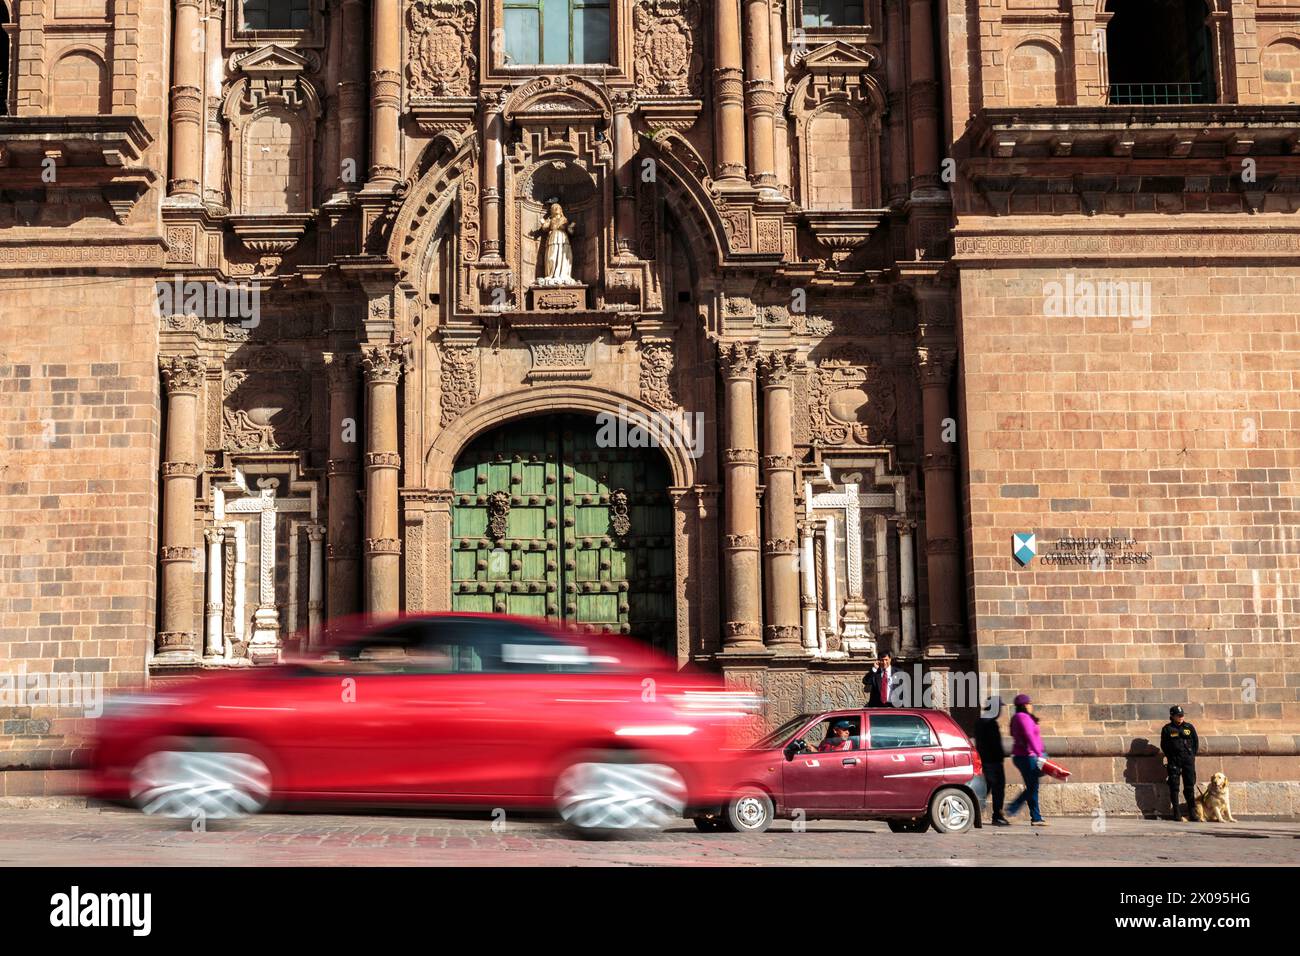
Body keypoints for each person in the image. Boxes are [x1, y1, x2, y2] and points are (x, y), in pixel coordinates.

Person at [1004, 694, 1048, 826]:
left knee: (1032, 786)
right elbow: (1029, 736)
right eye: (1029, 703)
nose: (1031, 706)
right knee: (1033, 787)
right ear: (1024, 705)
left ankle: (1036, 817)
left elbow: (1014, 734)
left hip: (1025, 756)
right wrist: (1039, 753)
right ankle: (1013, 807)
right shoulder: (1022, 717)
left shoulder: (1017, 718)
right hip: (1028, 756)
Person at [975, 696, 1010, 826]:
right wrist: (998, 757)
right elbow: (993, 744)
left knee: (985, 789)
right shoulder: (990, 723)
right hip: (992, 762)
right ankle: (997, 816)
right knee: (997, 789)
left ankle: (976, 812)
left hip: (986, 761)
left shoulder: (980, 721)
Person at [1160, 705, 1199, 822]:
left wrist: (1191, 756)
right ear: (1172, 716)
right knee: (1174, 785)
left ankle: (1192, 811)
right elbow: (1164, 745)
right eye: (1178, 715)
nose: (1181, 717)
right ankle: (1176, 812)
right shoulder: (1167, 729)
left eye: (1182, 715)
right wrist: (1171, 756)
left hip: (1188, 760)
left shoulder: (1189, 727)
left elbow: (1195, 743)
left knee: (1189, 785)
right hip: (1174, 760)